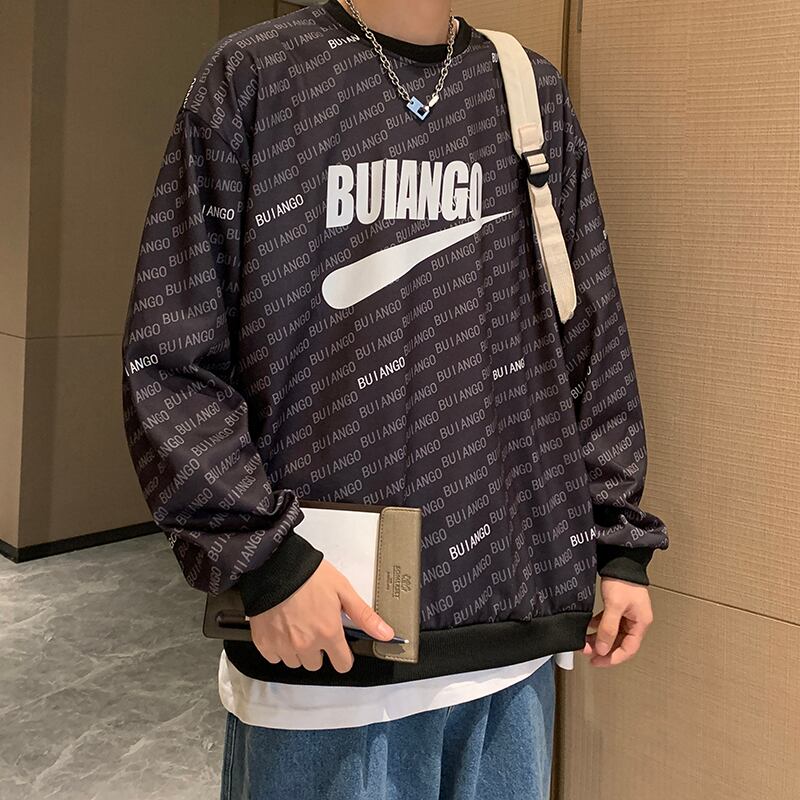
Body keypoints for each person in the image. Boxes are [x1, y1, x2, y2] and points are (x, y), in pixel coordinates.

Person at [120, 0, 669, 797]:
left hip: (509, 644)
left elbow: (589, 337)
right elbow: (172, 351)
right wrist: (265, 560)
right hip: (322, 653)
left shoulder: (527, 89)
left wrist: (617, 541)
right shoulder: (256, 76)